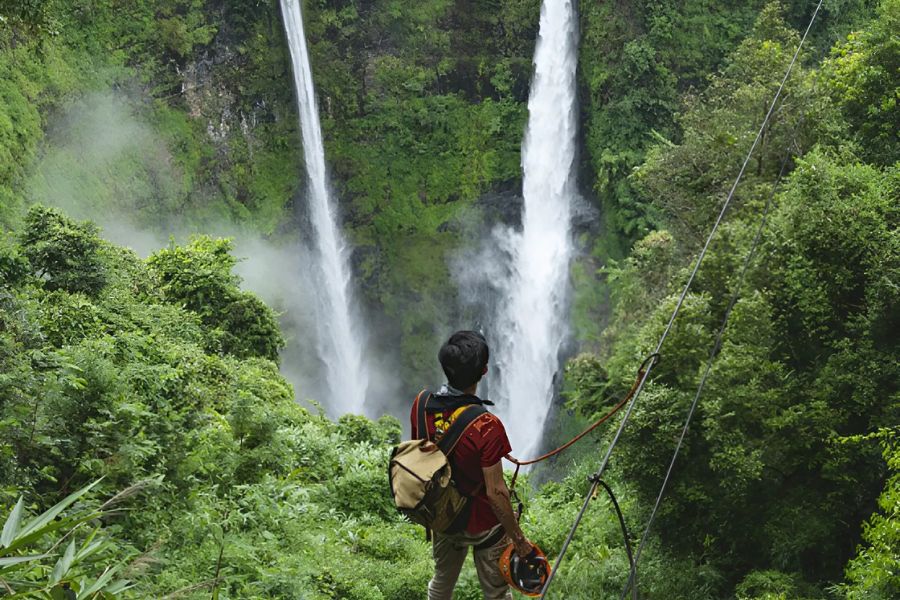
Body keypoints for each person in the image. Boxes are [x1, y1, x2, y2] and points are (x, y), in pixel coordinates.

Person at [411, 330, 533, 600]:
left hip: (443, 515)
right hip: (483, 525)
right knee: (497, 594)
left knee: (441, 585)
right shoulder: (486, 426)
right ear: (484, 371)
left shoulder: (420, 405)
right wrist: (519, 541)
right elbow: (496, 492)